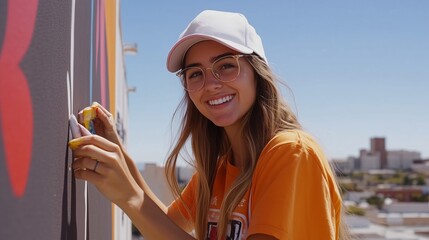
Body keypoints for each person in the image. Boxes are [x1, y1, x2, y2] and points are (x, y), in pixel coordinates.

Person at [69, 9, 350, 240]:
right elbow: (169, 227)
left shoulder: (291, 153)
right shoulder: (219, 169)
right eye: (195, 74)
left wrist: (130, 197)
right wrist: (120, 154)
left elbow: (155, 221)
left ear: (257, 72)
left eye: (226, 65)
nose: (211, 84)